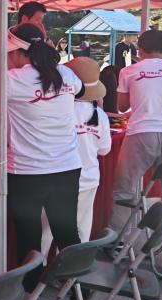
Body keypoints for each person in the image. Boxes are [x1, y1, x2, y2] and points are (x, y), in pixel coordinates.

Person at [0, 24, 83, 288]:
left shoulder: (12, 80)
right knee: (67, 233)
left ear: (15, 52)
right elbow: (82, 90)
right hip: (67, 167)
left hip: (27, 172)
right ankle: (80, 297)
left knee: (29, 239)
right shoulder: (65, 73)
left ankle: (28, 297)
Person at [111, 29, 162, 267]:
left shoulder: (129, 71)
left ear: (139, 50)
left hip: (140, 132)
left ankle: (118, 241)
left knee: (125, 190)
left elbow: (122, 107)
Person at [40, 57, 111, 256]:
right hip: (87, 179)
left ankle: (38, 269)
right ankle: (73, 270)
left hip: (55, 178)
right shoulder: (100, 115)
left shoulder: (53, 110)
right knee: (80, 229)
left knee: (46, 230)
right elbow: (104, 150)